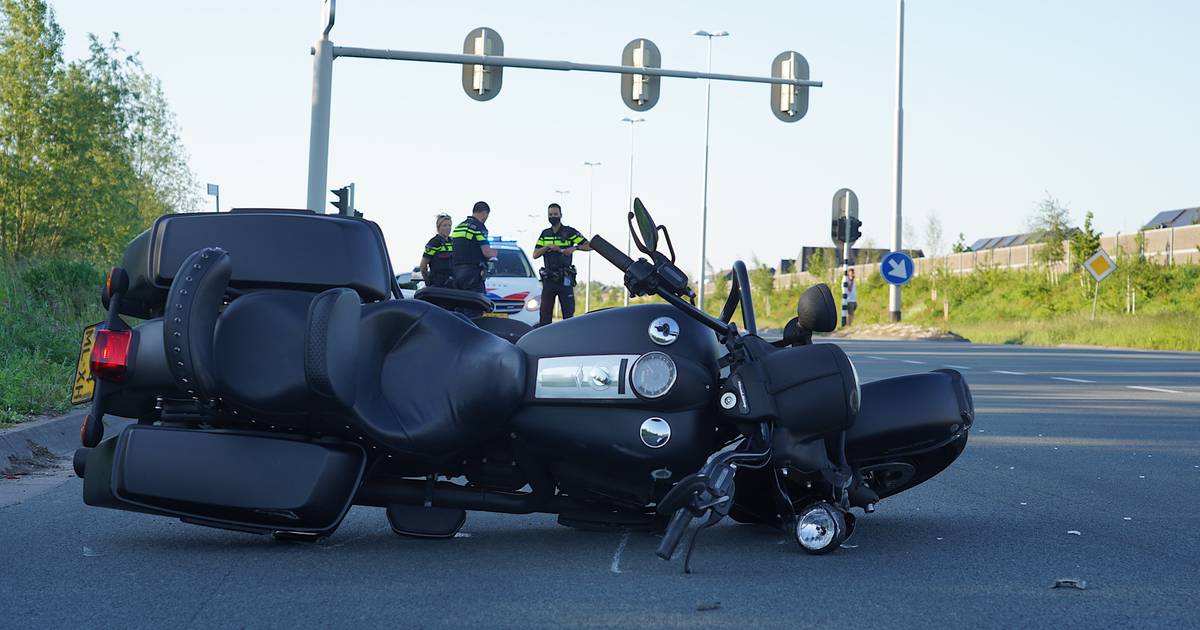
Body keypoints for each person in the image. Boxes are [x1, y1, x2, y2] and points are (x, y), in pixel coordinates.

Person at [532, 202, 590, 327]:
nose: (553, 217)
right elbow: (535, 254)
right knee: (545, 314)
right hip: (549, 279)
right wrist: (547, 247)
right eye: (550, 214)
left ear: (561, 215)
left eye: (555, 214)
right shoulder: (545, 234)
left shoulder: (569, 232)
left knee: (568, 314)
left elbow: (589, 245)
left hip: (565, 278)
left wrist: (575, 248)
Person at [450, 201, 497, 296]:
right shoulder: (479, 227)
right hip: (472, 274)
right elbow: (487, 252)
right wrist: (494, 253)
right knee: (475, 305)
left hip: (456, 272)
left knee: (460, 306)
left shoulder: (459, 227)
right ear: (484, 213)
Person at [419, 213, 454, 288]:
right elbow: (423, 266)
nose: (448, 228)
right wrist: (429, 282)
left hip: (451, 283)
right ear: (438, 227)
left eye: (449, 225)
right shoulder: (434, 242)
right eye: (444, 225)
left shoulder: (452, 242)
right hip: (438, 283)